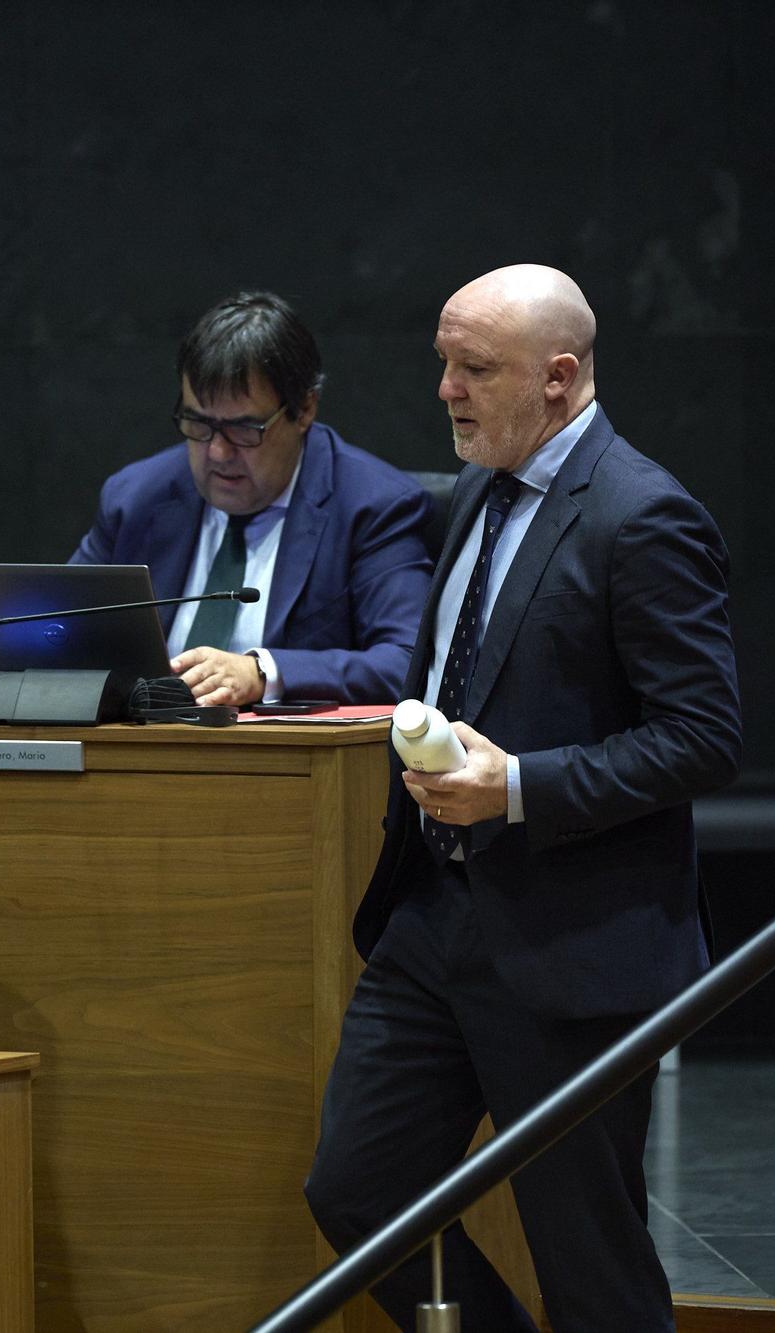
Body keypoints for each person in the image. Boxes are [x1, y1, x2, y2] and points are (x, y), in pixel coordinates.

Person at [304, 266, 742, 1330]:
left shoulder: (642, 516)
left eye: (473, 368)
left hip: (571, 938)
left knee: (586, 1257)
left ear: (557, 377)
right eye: (442, 364)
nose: (445, 390)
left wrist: (519, 787)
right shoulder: (475, 493)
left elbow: (703, 737)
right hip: (431, 918)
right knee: (357, 1188)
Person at [0, 292, 433, 706]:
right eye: (198, 423)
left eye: (244, 429)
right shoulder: (139, 497)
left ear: (304, 409)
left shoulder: (373, 504)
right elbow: (56, 627)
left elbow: (406, 660)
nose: (217, 452)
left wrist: (264, 672)